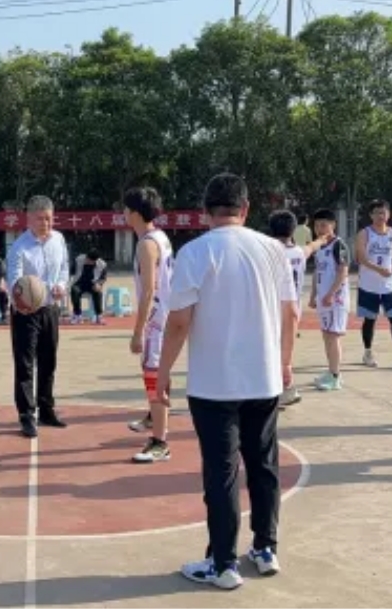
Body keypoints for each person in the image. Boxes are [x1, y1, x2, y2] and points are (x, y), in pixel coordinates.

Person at [156, 173, 297, 590]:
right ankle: (265, 548)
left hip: (214, 384)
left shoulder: (195, 252)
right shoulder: (273, 249)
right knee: (264, 465)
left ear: (206, 211)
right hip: (263, 378)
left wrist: (163, 371)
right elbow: (291, 313)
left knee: (221, 474)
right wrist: (285, 363)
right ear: (246, 208)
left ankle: (223, 563)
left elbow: (179, 322)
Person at [120, 187, 176, 464]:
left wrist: (137, 332)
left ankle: (160, 442)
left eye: (125, 208)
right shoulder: (160, 236)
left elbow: (149, 290)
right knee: (159, 373)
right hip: (165, 315)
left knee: (154, 375)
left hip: (157, 320)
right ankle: (154, 418)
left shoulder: (146, 245)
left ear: (134, 213)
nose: (123, 213)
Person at [7, 195, 70, 438]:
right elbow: (13, 279)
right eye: (40, 218)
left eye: (49, 218)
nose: (45, 223)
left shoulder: (59, 239)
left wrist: (61, 286)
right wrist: (21, 299)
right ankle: (26, 415)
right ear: (29, 219)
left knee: (48, 361)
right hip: (26, 313)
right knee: (25, 364)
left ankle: (46, 409)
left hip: (50, 309)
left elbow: (64, 268)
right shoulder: (19, 247)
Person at [267, 210, 329, 405]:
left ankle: (275, 390)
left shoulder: (267, 254)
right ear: (293, 230)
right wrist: (323, 239)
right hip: (293, 308)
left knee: (271, 351)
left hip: (271, 309)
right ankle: (283, 388)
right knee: (286, 351)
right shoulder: (298, 252)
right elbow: (312, 247)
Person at [355, 200, 392, 369]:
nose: (381, 216)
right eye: (377, 213)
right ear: (371, 215)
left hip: (388, 285)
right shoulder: (364, 234)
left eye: (383, 212)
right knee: (370, 320)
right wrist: (378, 269)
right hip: (369, 285)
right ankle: (368, 352)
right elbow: (361, 258)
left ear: (389, 214)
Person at [308, 209, 350, 392]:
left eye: (323, 225)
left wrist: (331, 294)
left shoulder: (339, 245)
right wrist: (313, 295)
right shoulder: (319, 247)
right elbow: (317, 272)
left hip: (335, 300)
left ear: (333, 225)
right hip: (323, 298)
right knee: (326, 335)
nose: (320, 229)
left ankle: (335, 376)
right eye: (317, 225)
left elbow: (343, 272)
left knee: (333, 336)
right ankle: (331, 370)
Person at [69, 249, 108, 325]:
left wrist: (99, 284)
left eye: (90, 261)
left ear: (95, 261)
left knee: (98, 292)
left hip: (93, 284)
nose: (87, 261)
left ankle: (99, 316)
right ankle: (77, 315)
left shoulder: (102, 264)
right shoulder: (79, 259)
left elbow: (103, 278)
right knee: (74, 290)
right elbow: (71, 271)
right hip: (79, 283)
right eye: (87, 258)